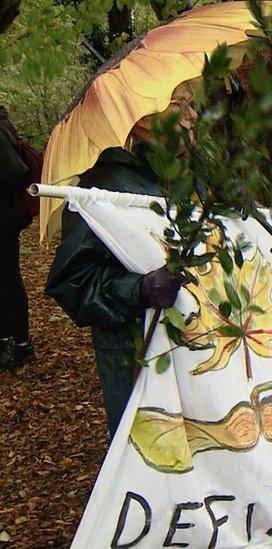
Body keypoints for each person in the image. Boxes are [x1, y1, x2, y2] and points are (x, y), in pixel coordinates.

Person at [45, 87, 194, 437]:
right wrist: (138, 290)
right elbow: (72, 282)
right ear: (143, 119)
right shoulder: (104, 189)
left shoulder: (192, 180)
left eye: (192, 105)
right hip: (134, 359)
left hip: (194, 353)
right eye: (181, 106)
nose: (193, 117)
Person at [0, 106, 34, 371]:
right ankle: (8, 340)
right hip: (6, 213)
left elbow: (15, 172)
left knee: (7, 277)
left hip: (5, 216)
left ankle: (21, 344)